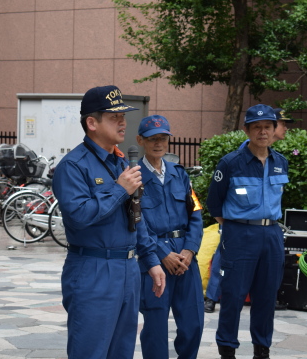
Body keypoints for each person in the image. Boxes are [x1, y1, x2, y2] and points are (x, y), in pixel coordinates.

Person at [52, 85, 166, 359]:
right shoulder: (73, 165)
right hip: (93, 269)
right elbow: (78, 216)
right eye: (114, 117)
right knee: (90, 351)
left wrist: (150, 260)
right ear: (92, 123)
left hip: (127, 268)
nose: (123, 122)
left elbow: (135, 215)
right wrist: (119, 189)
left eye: (123, 116)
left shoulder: (120, 161)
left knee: (121, 351)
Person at [207, 104, 289, 359]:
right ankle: (227, 350)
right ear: (246, 130)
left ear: (275, 130)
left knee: (266, 297)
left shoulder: (281, 162)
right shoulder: (231, 163)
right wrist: (236, 225)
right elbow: (214, 203)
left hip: (272, 236)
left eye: (268, 127)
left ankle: (261, 350)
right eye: (257, 127)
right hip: (240, 235)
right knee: (233, 295)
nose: (263, 132)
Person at [135, 114, 205, 359]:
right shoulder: (134, 177)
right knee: (155, 327)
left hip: (185, 257)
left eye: (163, 138)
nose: (158, 143)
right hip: (154, 258)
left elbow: (195, 213)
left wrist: (190, 249)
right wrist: (161, 254)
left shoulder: (180, 174)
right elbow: (136, 222)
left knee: (193, 323)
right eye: (152, 139)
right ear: (140, 140)